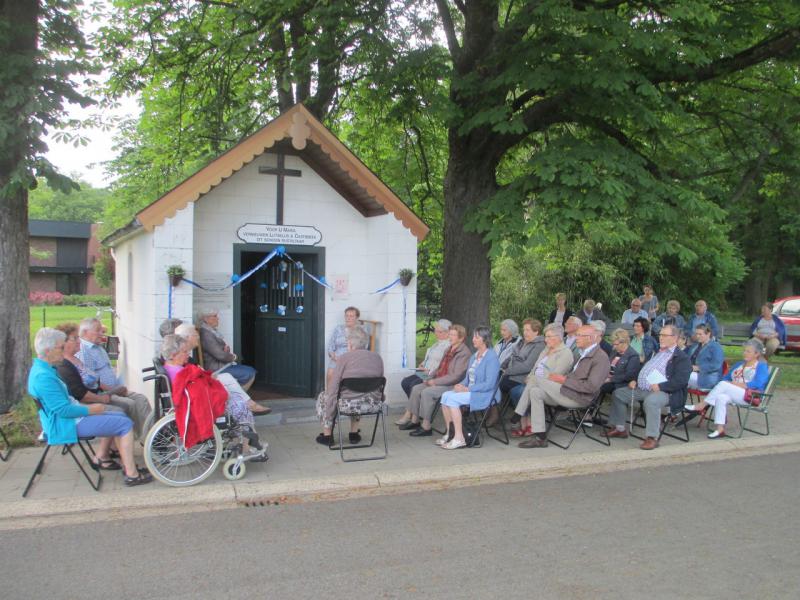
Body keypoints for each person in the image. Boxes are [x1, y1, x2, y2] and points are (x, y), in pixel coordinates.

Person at [29, 328, 152, 486]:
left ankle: (125, 466)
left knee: (121, 417)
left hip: (68, 419)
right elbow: (64, 410)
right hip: (65, 425)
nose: (63, 350)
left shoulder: (43, 369)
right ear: (48, 350)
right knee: (125, 424)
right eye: (60, 348)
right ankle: (132, 475)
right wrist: (93, 409)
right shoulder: (43, 377)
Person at [161, 335, 265, 456]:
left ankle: (250, 441)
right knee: (240, 404)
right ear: (173, 354)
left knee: (235, 395)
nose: (188, 355)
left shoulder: (170, 367)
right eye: (185, 352)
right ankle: (247, 448)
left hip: (192, 402)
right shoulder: (181, 373)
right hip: (198, 407)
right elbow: (198, 393)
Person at [517, 325, 610, 448]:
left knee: (536, 379)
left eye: (579, 335)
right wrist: (564, 381)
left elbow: (591, 387)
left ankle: (517, 414)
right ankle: (540, 437)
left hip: (580, 398)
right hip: (568, 392)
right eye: (576, 335)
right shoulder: (584, 353)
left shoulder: (600, 358)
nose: (576, 338)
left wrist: (564, 380)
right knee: (535, 392)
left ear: (590, 338)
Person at [606, 324, 692, 450]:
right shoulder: (658, 352)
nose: (660, 338)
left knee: (652, 401)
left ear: (674, 338)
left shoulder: (682, 358)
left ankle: (652, 437)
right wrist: (635, 380)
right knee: (619, 393)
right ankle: (620, 428)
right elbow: (644, 369)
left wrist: (661, 386)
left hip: (667, 392)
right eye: (660, 335)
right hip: (643, 388)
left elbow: (681, 381)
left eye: (664, 335)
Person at [76, 317, 152, 439]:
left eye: (102, 330)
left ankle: (151, 437)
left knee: (141, 399)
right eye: (98, 330)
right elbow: (91, 382)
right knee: (129, 404)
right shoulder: (84, 351)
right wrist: (114, 389)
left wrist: (118, 387)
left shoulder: (98, 347)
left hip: (114, 388)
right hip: (104, 392)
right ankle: (142, 438)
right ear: (85, 332)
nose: (102, 333)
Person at [176, 323, 270, 415]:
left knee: (227, 377)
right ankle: (244, 405)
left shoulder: (186, 353)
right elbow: (187, 374)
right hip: (199, 383)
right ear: (188, 337)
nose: (198, 337)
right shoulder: (181, 354)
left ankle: (246, 404)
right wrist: (232, 357)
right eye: (195, 335)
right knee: (227, 380)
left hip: (201, 379)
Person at [685, 339, 770, 439]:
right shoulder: (739, 364)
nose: (745, 353)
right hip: (735, 394)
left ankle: (701, 405)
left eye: (748, 351)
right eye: (744, 350)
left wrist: (735, 384)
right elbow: (726, 378)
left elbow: (758, 383)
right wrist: (730, 384)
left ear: (757, 354)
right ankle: (720, 429)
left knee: (724, 385)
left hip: (751, 396)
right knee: (721, 397)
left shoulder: (761, 366)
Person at [317, 327, 383, 445]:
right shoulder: (377, 358)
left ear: (351, 344)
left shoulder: (344, 358)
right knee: (360, 392)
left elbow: (333, 387)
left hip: (348, 405)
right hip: (372, 404)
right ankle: (354, 434)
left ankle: (327, 436)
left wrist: (330, 411)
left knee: (324, 396)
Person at [437, 327, 501, 450]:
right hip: (471, 390)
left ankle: (459, 438)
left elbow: (490, 384)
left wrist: (468, 389)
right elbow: (467, 378)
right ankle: (450, 433)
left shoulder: (491, 357)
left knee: (453, 400)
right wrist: (460, 385)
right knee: (445, 396)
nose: (473, 339)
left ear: (485, 339)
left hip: (485, 394)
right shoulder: (474, 356)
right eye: (473, 337)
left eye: (477, 337)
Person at [402, 325, 471, 437]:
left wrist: (435, 382)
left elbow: (456, 376)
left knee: (427, 392)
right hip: (439, 379)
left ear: (461, 338)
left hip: (451, 384)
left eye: (453, 335)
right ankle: (415, 421)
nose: (450, 337)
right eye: (450, 334)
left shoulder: (464, 353)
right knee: (416, 388)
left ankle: (426, 426)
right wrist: (429, 377)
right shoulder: (449, 349)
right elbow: (439, 368)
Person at [511, 324, 575, 437]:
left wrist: (534, 379)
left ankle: (519, 413)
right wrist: (530, 377)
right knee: (521, 390)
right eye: (546, 336)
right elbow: (535, 368)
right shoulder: (546, 350)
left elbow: (555, 376)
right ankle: (538, 432)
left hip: (553, 389)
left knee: (528, 385)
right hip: (535, 384)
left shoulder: (566, 353)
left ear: (558, 337)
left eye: (549, 337)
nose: (546, 340)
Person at [396, 318, 452, 424]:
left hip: (432, 375)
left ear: (447, 332)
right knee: (405, 382)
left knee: (414, 384)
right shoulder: (437, 344)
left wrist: (428, 371)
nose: (436, 333)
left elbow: (442, 365)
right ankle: (415, 409)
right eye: (435, 330)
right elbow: (431, 358)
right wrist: (423, 363)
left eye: (439, 331)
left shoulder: (448, 346)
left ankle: (410, 414)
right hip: (425, 371)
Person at [197, 308, 257, 389]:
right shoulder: (206, 334)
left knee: (251, 371)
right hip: (216, 368)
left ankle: (239, 396)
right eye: (214, 316)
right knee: (250, 372)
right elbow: (220, 355)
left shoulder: (210, 331)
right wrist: (233, 357)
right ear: (206, 319)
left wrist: (226, 351)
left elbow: (219, 352)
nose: (217, 318)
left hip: (221, 365)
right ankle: (239, 397)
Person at [326, 306, 366, 388]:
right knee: (330, 373)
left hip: (353, 358)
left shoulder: (361, 330)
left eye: (351, 316)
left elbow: (364, 346)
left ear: (357, 317)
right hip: (337, 358)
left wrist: (349, 356)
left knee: (348, 375)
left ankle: (344, 396)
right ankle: (329, 396)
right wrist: (333, 355)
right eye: (346, 316)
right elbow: (331, 345)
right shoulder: (338, 328)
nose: (348, 318)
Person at [600, 329, 641, 396]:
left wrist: (610, 379)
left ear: (624, 342)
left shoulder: (633, 356)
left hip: (620, 383)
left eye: (616, 344)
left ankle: (592, 404)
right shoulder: (615, 351)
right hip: (607, 378)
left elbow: (628, 376)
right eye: (613, 344)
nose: (614, 346)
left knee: (601, 386)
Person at [686, 324, 724, 390]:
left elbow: (716, 365)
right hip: (692, 374)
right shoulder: (695, 346)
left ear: (708, 334)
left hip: (707, 378)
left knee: (679, 377)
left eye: (700, 334)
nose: (697, 336)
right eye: (696, 334)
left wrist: (698, 368)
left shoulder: (715, 347)